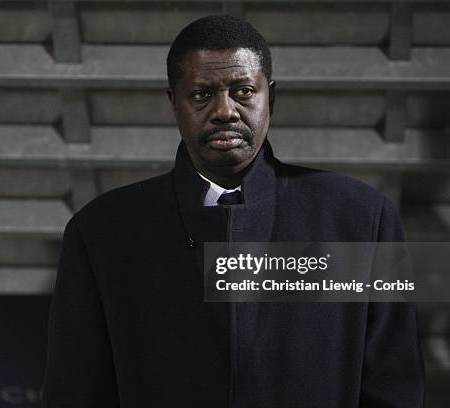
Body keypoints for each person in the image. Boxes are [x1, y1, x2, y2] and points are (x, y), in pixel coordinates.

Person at [43, 15, 424, 407]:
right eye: (200, 95)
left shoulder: (360, 218)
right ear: (173, 101)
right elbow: (75, 391)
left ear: (269, 98)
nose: (224, 111)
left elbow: (394, 388)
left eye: (243, 91)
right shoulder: (102, 233)